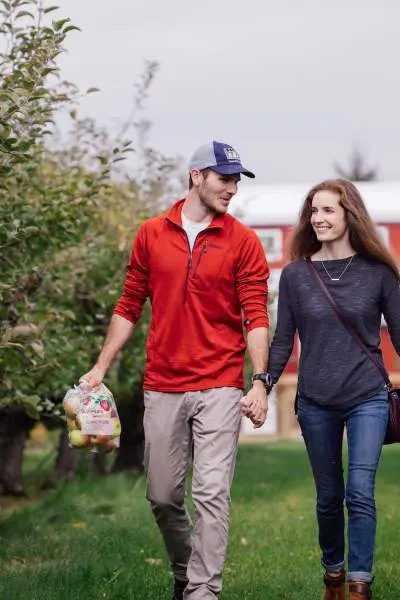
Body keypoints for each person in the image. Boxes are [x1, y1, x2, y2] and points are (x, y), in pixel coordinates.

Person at [80, 140, 270, 600]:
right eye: (224, 178)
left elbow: (257, 315)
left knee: (210, 493)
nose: (231, 189)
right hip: (163, 383)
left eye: (236, 180)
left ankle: (204, 592)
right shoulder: (150, 233)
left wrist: (260, 381)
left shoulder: (242, 241)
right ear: (196, 176)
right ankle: (186, 571)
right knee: (162, 496)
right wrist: (101, 366)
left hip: (220, 383)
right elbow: (129, 304)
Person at [256, 179, 400, 600]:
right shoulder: (297, 275)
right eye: (312, 211)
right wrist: (263, 384)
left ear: (349, 215)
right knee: (328, 496)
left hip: (368, 397)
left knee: (359, 491)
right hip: (316, 401)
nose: (317, 218)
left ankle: (359, 584)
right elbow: (284, 339)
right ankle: (333, 575)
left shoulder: (380, 273)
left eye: (327, 210)